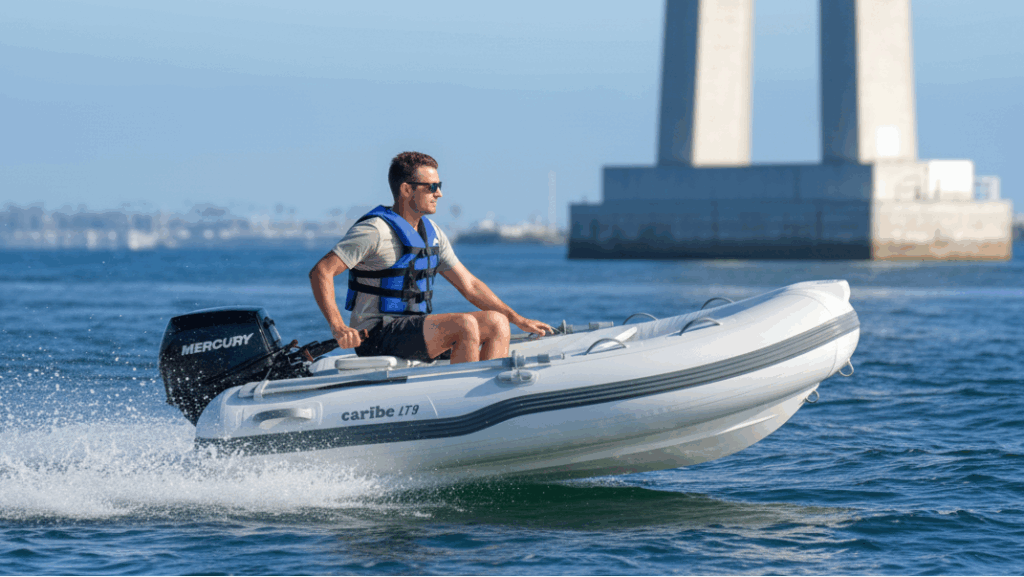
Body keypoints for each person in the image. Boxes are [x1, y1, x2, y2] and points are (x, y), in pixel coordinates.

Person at [309, 151, 552, 364]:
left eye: (440, 185)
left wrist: (518, 319)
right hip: (375, 336)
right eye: (432, 187)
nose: (440, 194)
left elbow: (471, 286)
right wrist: (339, 326)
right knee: (464, 324)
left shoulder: (432, 233)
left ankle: (487, 398)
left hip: (413, 329)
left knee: (497, 322)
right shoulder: (374, 231)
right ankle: (460, 402)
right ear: (406, 189)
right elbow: (322, 271)